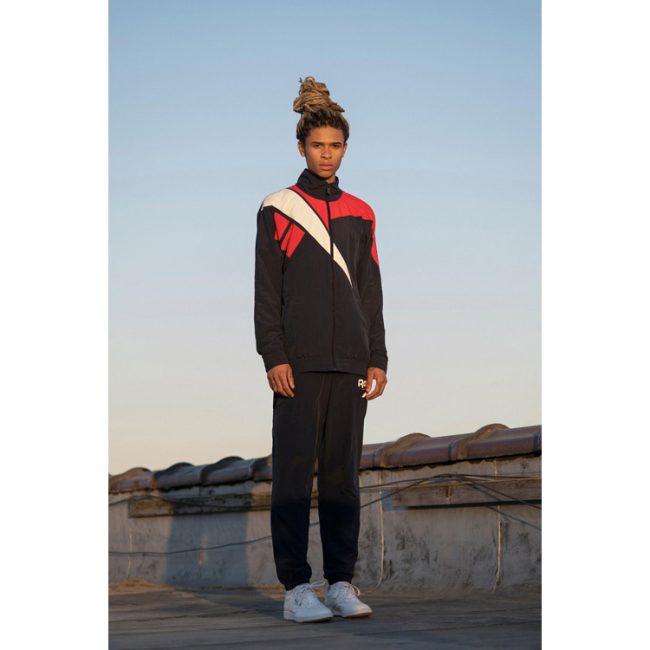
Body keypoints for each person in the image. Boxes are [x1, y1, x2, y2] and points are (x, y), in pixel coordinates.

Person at [254, 76, 388, 623]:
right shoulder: (278, 207)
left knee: (341, 480)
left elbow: (371, 290)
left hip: (351, 362)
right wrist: (274, 355)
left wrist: (377, 357)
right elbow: (267, 291)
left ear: (345, 148)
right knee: (292, 478)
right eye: (317, 145)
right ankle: (295, 589)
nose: (326, 154)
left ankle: (340, 583)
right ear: (301, 147)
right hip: (299, 364)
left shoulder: (362, 212)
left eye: (335, 145)